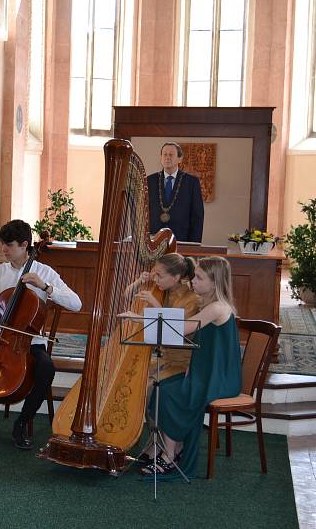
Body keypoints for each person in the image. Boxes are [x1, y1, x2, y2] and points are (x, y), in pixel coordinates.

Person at [0, 219, 82, 449]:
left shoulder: (43, 272)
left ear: (24, 245)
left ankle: (22, 422)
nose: (4, 249)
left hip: (30, 343)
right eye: (3, 244)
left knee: (46, 368)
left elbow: (76, 303)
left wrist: (45, 288)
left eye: (8, 245)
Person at [137, 256, 241, 476]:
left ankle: (170, 455)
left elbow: (179, 331)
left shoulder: (217, 308)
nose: (193, 282)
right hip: (204, 371)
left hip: (218, 377)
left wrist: (154, 308)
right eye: (193, 277)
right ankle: (171, 448)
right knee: (159, 387)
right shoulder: (209, 304)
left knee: (165, 391)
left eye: (199, 278)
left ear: (214, 283)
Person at [126, 252, 201, 380]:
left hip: (180, 362)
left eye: (159, 276)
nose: (155, 279)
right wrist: (139, 281)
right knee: (129, 375)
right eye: (154, 274)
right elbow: (127, 295)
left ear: (175, 278)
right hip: (163, 358)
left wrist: (155, 303)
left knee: (145, 383)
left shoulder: (191, 299)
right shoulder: (161, 290)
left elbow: (173, 331)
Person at [147, 142, 204, 243]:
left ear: (180, 159)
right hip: (154, 241)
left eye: (171, 154)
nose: (167, 157)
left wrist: (194, 244)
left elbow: (197, 216)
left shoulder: (191, 182)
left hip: (182, 240)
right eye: (165, 154)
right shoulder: (149, 181)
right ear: (161, 158)